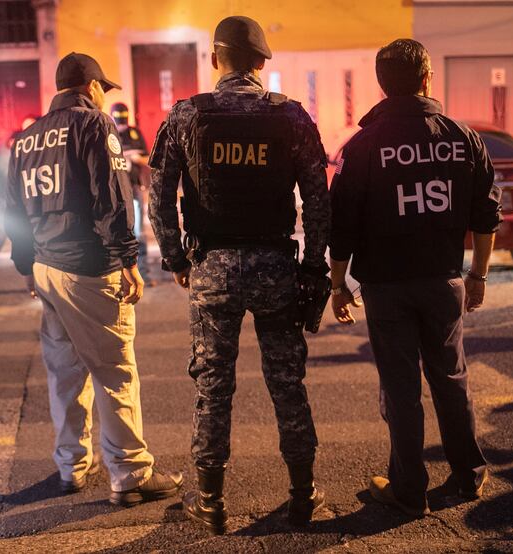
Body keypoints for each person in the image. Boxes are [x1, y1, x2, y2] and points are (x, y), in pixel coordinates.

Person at [149, 15, 330, 534]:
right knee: (287, 385)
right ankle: (302, 495)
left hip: (213, 270)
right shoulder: (291, 117)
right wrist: (314, 267)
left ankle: (210, 502)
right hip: (276, 268)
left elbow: (158, 194)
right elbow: (317, 198)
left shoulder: (186, 116)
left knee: (212, 388)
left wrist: (177, 259)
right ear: (260, 62)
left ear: (214, 59)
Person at [329, 39, 502, 517]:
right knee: (452, 379)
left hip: (386, 286)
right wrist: (478, 276)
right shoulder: (461, 136)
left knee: (400, 388)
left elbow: (341, 222)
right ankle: (468, 476)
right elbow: (487, 214)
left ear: (383, 85)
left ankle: (409, 489)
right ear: (427, 78)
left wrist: (337, 283)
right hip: (443, 279)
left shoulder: (363, 144)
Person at [4, 51, 183, 506]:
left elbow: (14, 213)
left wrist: (26, 265)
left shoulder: (25, 139)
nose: (105, 96)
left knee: (65, 371)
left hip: (46, 267)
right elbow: (111, 196)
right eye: (104, 88)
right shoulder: (94, 125)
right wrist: (127, 260)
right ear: (91, 87)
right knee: (114, 370)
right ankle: (130, 474)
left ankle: (71, 466)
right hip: (88, 266)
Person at [110, 102, 151, 282]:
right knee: (115, 232)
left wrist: (135, 158)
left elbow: (147, 158)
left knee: (137, 232)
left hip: (133, 187)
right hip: (114, 189)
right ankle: (118, 275)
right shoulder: (107, 132)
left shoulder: (134, 133)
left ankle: (144, 273)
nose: (121, 121)